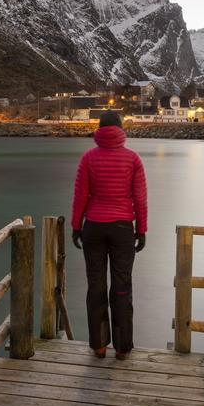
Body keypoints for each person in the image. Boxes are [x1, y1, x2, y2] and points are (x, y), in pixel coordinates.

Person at [71, 110, 147, 359]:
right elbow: (140, 199)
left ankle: (99, 345)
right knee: (122, 286)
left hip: (94, 225)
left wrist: (76, 226)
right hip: (123, 227)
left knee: (96, 286)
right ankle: (123, 348)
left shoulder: (88, 158)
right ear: (121, 129)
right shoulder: (132, 159)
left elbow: (80, 196)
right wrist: (142, 229)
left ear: (99, 130)